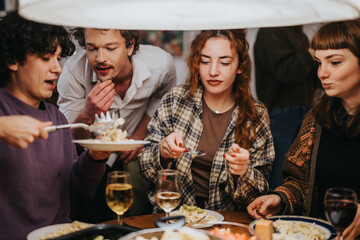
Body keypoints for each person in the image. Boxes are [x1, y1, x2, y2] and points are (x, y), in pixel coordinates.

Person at [0, 12, 112, 240]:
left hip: (62, 235)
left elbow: (76, 193)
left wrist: (96, 158)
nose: (58, 68)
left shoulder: (57, 118)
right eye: (45, 58)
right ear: (12, 60)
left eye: (58, 58)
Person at [247, 20, 360, 240]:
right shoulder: (317, 119)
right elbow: (300, 183)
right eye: (319, 62)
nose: (322, 73)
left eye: (334, 62)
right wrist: (280, 198)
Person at [139, 29, 275, 211]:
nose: (213, 71)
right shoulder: (176, 100)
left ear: (240, 66)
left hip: (227, 222)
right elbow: (144, 167)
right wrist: (163, 152)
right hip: (174, 216)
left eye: (224, 62)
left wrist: (244, 171)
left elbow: (259, 194)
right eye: (205, 61)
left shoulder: (255, 115)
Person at [57, 27, 177, 220]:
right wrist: (88, 113)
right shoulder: (72, 74)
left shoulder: (161, 64)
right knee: (96, 217)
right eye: (92, 48)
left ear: (129, 46)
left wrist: (139, 133)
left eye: (110, 48)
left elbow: (163, 96)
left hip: (139, 151)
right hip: (92, 159)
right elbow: (69, 139)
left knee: (143, 217)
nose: (100, 58)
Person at [254, 26, 320, 189]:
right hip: (281, 112)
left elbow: (311, 76)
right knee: (279, 171)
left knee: (301, 170)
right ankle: (276, 210)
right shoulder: (270, 32)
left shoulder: (298, 33)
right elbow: (285, 73)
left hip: (305, 110)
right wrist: (309, 54)